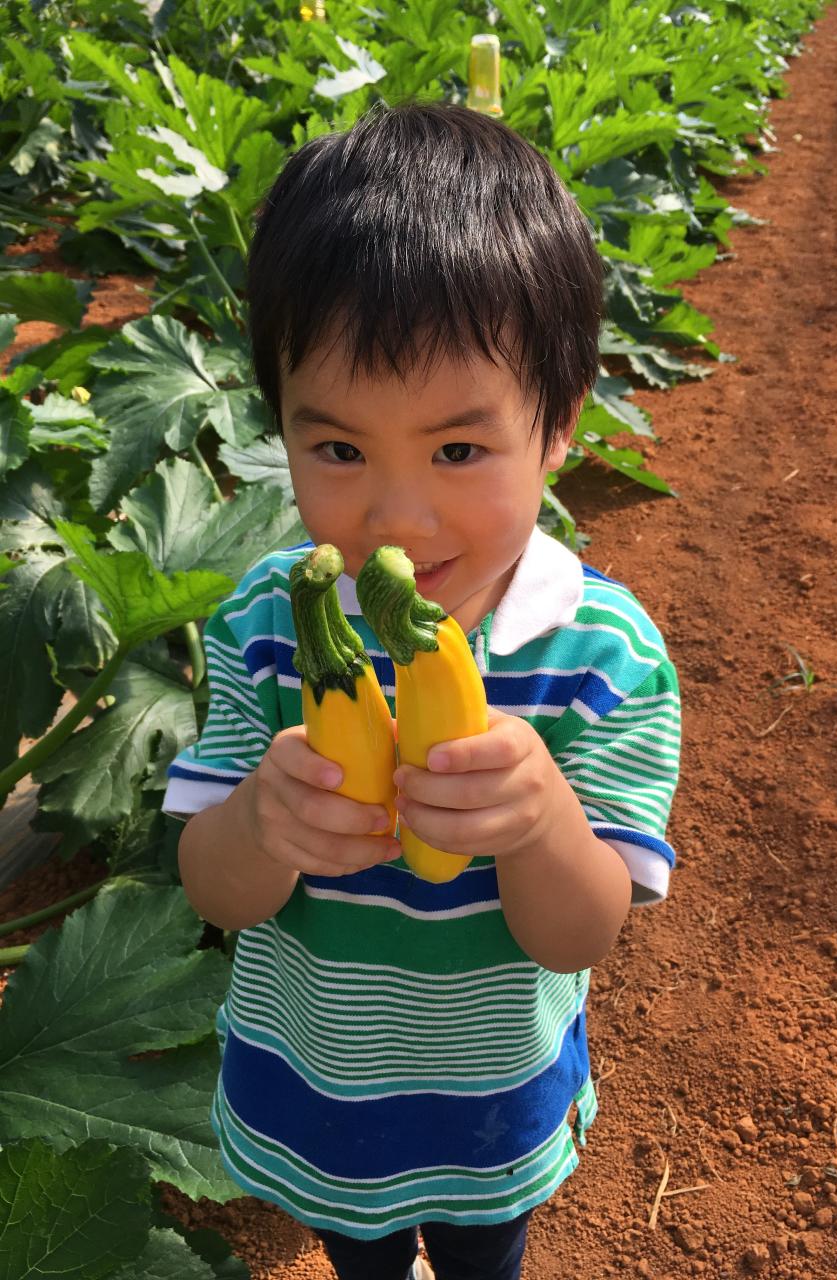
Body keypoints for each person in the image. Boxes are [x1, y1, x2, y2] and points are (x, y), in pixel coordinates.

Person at [165, 100, 681, 1280]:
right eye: (339, 450)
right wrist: (258, 821)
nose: (397, 518)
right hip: (313, 1091)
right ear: (281, 430)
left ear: (558, 425)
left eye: (457, 450)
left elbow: (584, 926)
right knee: (360, 1259)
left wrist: (543, 819)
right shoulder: (263, 623)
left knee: (483, 1257)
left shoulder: (601, 657)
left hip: (487, 1107)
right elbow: (217, 889)